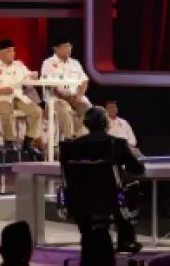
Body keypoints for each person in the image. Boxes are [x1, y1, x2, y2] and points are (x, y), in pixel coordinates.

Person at [67, 106, 145, 254]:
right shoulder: (118, 144)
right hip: (111, 199)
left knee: (89, 198)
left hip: (81, 199)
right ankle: (125, 240)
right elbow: (138, 169)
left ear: (86, 124)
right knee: (131, 188)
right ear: (106, 123)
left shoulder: (73, 146)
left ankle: (87, 236)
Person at [0, 39, 42, 158]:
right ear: (0, 53)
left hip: (17, 97)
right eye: (9, 51)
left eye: (13, 51)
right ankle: (9, 142)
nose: (12, 53)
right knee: (6, 111)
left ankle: (28, 142)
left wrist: (34, 75)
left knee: (37, 111)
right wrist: (3, 90)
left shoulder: (19, 65)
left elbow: (30, 76)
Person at [40, 38, 92, 140]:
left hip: (75, 97)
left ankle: (79, 138)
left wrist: (78, 96)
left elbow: (84, 82)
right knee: (65, 110)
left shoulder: (75, 63)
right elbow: (48, 85)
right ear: (56, 49)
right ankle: (68, 139)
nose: (69, 49)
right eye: (65, 46)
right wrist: (65, 98)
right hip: (56, 98)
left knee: (88, 109)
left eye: (70, 46)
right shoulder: (48, 63)